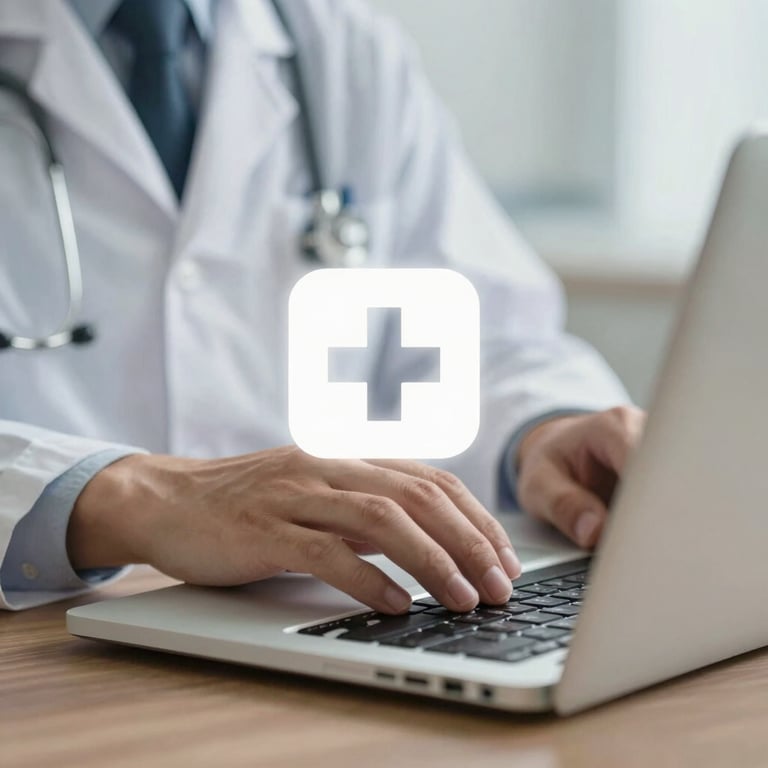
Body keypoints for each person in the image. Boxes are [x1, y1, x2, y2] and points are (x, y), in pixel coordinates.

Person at [0, 0, 644, 613]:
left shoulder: (339, 47)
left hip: (306, 620)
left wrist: (541, 430)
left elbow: (470, 336)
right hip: (44, 650)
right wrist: (128, 498)